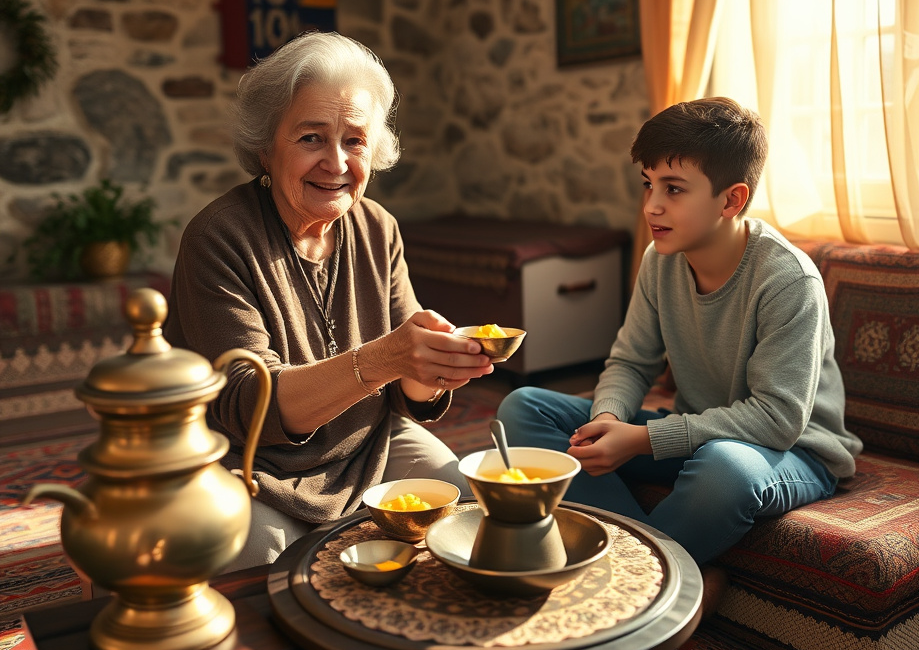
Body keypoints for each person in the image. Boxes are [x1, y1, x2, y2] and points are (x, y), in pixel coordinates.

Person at [497, 97, 863, 611]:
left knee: (723, 469)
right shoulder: (660, 259)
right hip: (697, 432)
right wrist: (607, 420)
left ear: (731, 200)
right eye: (647, 184)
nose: (651, 206)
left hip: (793, 452)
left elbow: (778, 420)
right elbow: (631, 362)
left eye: (673, 189)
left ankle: (626, 585)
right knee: (524, 407)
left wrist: (644, 439)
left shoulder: (788, 281)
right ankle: (673, 576)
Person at [164, 32, 493, 570]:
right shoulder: (218, 237)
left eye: (355, 140)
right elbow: (249, 409)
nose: (336, 162)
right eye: (311, 138)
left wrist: (434, 365)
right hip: (250, 463)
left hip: (367, 443)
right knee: (263, 561)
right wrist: (386, 358)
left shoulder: (378, 227)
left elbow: (408, 390)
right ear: (266, 147)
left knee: (464, 508)